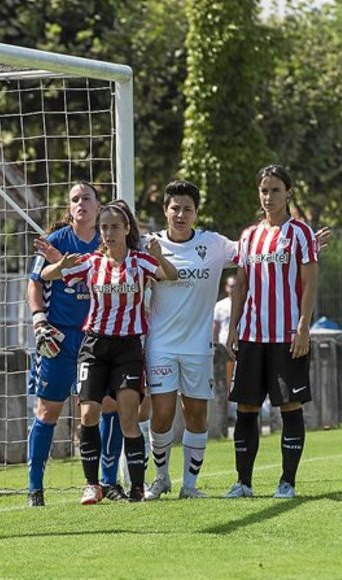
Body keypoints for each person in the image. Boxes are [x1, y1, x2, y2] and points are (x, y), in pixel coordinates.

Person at [40, 200, 178, 503]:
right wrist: (60, 265)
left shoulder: (140, 261)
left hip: (128, 347)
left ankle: (137, 487)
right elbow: (46, 276)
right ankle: (92, 485)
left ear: (127, 228)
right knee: (88, 413)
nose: (109, 233)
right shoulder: (91, 262)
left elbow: (172, 275)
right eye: (104, 227)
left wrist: (159, 257)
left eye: (115, 226)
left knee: (128, 417)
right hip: (94, 346)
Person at [27, 182, 126, 507]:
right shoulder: (55, 241)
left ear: (98, 206)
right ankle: (35, 487)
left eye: (86, 198)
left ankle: (107, 481)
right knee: (48, 410)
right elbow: (35, 284)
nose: (80, 203)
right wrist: (39, 319)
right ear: (69, 208)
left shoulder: (108, 241)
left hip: (98, 337)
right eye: (74, 199)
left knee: (108, 405)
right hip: (60, 338)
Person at [224, 164, 318, 500]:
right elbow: (241, 285)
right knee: (246, 408)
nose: (268, 196)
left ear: (288, 192)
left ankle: (287, 482)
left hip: (287, 336)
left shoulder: (301, 234)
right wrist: (233, 328)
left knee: (289, 406)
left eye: (275, 190)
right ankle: (243, 483)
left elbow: (309, 283)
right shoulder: (249, 235)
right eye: (264, 190)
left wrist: (303, 326)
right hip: (252, 336)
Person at [143, 181, 238, 501]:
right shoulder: (149, 244)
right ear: (165, 211)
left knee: (197, 415)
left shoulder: (214, 244)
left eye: (187, 209)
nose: (181, 215)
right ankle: (160, 478)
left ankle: (190, 485)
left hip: (198, 346)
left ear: (196, 212)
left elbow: (254, 252)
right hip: (161, 345)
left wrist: (303, 246)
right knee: (162, 413)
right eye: (175, 208)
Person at [214, 275, 237, 421]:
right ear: (226, 287)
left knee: (239, 379)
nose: (233, 289)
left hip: (240, 346)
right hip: (224, 347)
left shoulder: (244, 302)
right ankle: (227, 413)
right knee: (226, 381)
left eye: (235, 286)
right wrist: (215, 343)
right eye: (231, 286)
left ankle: (236, 411)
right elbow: (215, 326)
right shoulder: (220, 305)